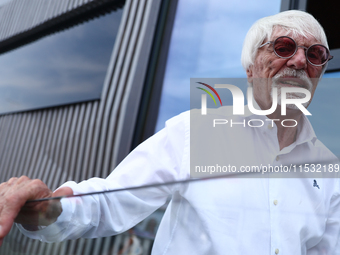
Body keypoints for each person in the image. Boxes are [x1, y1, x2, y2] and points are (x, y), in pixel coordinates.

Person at [0, 10, 339, 254]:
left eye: (315, 54)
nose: (299, 61)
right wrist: (44, 206)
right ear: (251, 70)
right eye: (283, 47)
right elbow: (110, 201)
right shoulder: (198, 131)